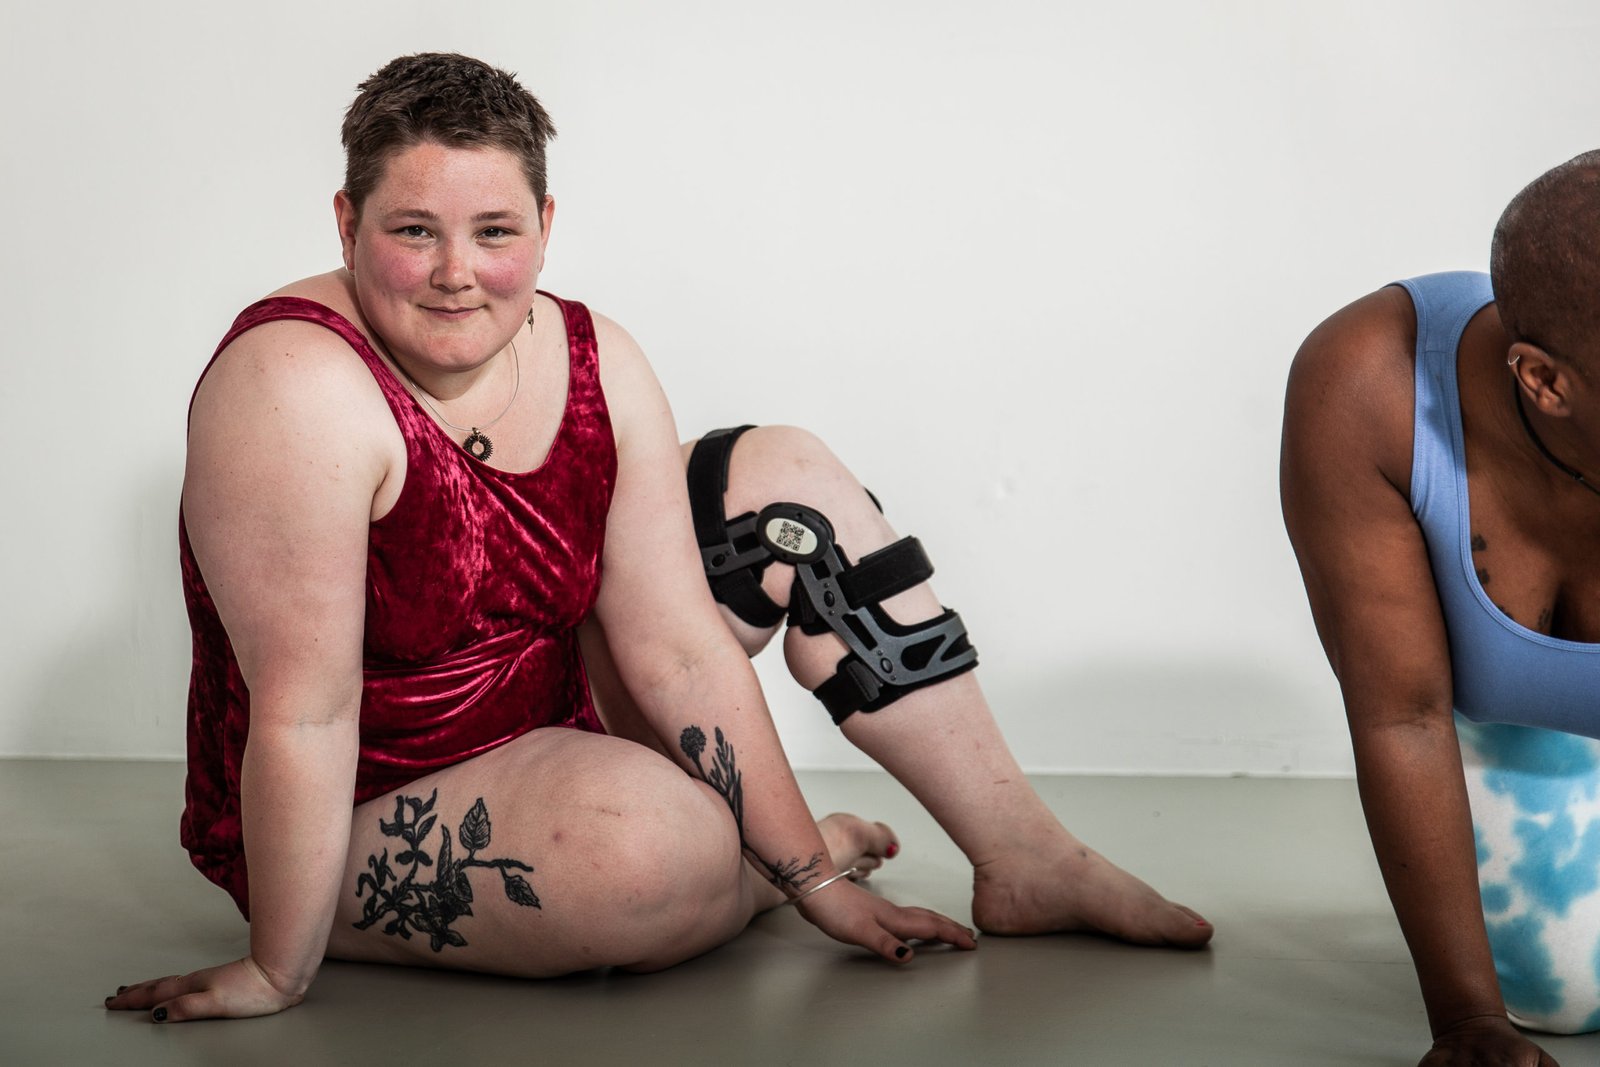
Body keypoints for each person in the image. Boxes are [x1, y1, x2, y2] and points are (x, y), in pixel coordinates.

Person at [105, 52, 1211, 1024]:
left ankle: (1025, 857)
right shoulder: (296, 384)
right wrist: (277, 968)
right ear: (347, 224)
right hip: (364, 798)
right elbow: (305, 711)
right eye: (412, 231)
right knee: (648, 850)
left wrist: (818, 886)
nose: (456, 272)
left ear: (546, 226)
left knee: (789, 488)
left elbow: (678, 649)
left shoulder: (597, 352)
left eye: (495, 231)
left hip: (557, 709)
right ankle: (751, 863)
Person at [1281, 152, 1600, 1066]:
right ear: (1544, 381)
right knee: (1560, 992)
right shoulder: (1370, 384)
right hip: (1513, 763)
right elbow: (1403, 715)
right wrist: (1468, 1020)